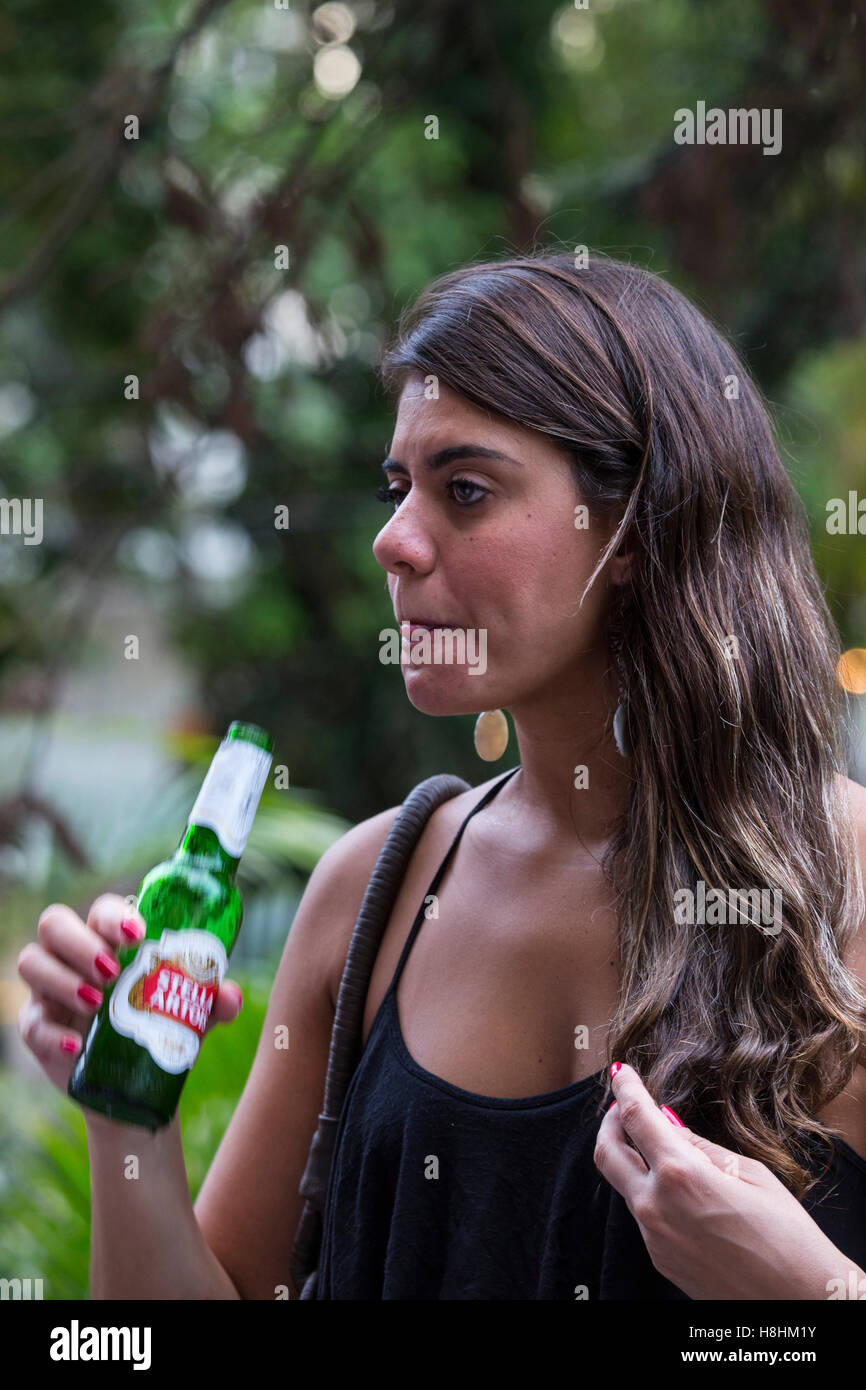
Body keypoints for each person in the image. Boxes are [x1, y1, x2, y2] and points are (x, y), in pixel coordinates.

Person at [17, 249, 866, 1300]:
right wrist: (124, 1115)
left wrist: (814, 1292)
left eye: (464, 490)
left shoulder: (849, 890)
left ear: (639, 525)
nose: (391, 541)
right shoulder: (372, 890)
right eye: (395, 488)